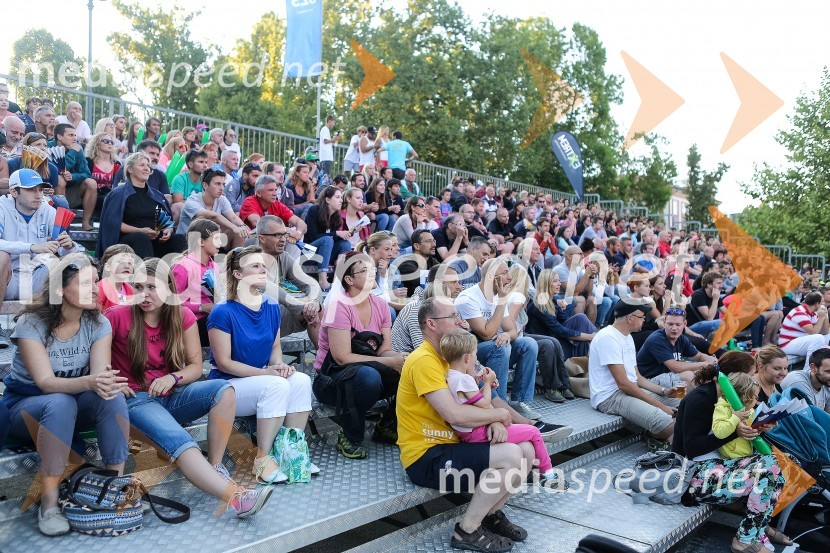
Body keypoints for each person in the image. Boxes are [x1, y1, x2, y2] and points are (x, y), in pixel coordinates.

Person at [107, 258, 273, 518]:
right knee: (182, 442)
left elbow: (195, 367)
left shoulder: (181, 315)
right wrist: (114, 382)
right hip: (137, 400)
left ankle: (215, 466)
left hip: (172, 394)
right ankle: (237, 498)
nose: (144, 294)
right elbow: (97, 363)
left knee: (223, 390)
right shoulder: (117, 315)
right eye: (138, 287)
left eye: (151, 287)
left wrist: (173, 378)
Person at [1, 257, 129, 536]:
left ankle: (114, 489)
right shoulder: (31, 323)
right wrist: (93, 381)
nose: (96, 288)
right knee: (59, 401)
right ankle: (49, 504)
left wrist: (106, 383)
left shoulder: (98, 323)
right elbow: (46, 383)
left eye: (96, 281)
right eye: (85, 283)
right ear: (59, 290)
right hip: (25, 409)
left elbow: (99, 379)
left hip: (73, 404)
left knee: (112, 397)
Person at [397, 296, 532, 553]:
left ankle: (490, 515)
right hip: (426, 457)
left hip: (456, 444)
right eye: (452, 317)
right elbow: (455, 415)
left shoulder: (452, 356)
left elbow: (480, 401)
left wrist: (497, 420)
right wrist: (497, 417)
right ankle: (467, 531)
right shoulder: (424, 360)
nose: (461, 321)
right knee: (511, 454)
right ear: (431, 324)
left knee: (526, 448)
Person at [208, 245, 316, 482]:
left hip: (260, 378)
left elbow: (275, 348)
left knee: (300, 380)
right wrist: (266, 373)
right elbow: (224, 363)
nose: (263, 270)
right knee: (276, 385)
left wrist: (279, 366)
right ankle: (263, 459)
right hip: (227, 386)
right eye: (255, 266)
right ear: (238, 274)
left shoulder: (270, 305)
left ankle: (291, 453)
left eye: (263, 266)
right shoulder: (222, 312)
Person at [673, 359, 790, 553]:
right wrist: (736, 431)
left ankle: (757, 527)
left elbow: (747, 428)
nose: (754, 380)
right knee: (767, 471)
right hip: (692, 476)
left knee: (776, 464)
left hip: (718, 467)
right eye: (751, 375)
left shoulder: (736, 404)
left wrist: (763, 427)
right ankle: (745, 538)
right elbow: (692, 448)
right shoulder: (701, 399)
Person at [313, 252, 406, 459]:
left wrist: (402, 359)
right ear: (349, 279)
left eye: (372, 269)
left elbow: (384, 350)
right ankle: (349, 436)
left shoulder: (381, 305)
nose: (372, 273)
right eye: (365, 270)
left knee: (411, 368)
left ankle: (387, 425)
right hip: (330, 380)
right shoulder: (339, 306)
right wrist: (389, 361)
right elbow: (342, 358)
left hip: (366, 372)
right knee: (368, 376)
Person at [440, 330, 561, 486]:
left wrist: (484, 387)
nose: (476, 358)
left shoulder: (451, 377)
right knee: (534, 432)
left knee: (522, 433)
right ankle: (548, 475)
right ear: (467, 358)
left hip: (469, 432)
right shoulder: (464, 379)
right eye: (476, 354)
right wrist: (488, 383)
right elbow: (484, 403)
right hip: (478, 433)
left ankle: (532, 470)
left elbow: (474, 401)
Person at [455, 258, 541, 421]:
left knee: (528, 344)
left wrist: (507, 334)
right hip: (469, 356)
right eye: (504, 273)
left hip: (489, 349)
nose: (509, 278)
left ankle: (518, 402)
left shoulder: (496, 297)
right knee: (500, 347)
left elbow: (512, 330)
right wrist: (502, 302)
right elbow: (486, 334)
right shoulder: (468, 298)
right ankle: (500, 405)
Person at [589, 302, 679, 449]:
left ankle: (666, 440)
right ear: (630, 318)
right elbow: (623, 383)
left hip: (628, 390)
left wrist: (664, 391)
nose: (645, 319)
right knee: (670, 425)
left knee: (684, 404)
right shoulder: (608, 337)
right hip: (610, 397)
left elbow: (636, 377)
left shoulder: (628, 337)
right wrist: (661, 406)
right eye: (642, 316)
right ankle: (652, 436)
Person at [0, 170, 80, 311]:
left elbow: (60, 248)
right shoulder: (2, 207)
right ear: (14, 192)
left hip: (36, 277)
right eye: (31, 190)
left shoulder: (48, 210)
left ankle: (59, 326)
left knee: (62, 263)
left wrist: (69, 247)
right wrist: (31, 247)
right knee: (2, 256)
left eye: (40, 190)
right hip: (8, 279)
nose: (38, 195)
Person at [96, 152, 187, 259]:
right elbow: (113, 223)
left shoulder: (156, 195)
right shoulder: (118, 194)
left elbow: (164, 221)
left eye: (148, 166)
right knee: (141, 238)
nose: (146, 168)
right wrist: (140, 230)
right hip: (128, 241)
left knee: (179, 239)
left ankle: (182, 273)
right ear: (130, 169)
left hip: (154, 240)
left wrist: (168, 230)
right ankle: (147, 274)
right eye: (141, 165)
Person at [257, 215, 322, 346]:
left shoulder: (283, 257)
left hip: (273, 315)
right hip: (250, 319)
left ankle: (325, 360)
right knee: (306, 308)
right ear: (262, 238)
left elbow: (310, 285)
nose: (283, 240)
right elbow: (264, 285)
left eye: (284, 235)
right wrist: (299, 304)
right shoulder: (249, 256)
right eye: (277, 235)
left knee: (316, 309)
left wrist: (314, 302)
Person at [636, 307, 718, 391]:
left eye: (678, 325)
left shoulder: (681, 339)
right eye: (670, 324)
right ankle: (694, 402)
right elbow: (675, 367)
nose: (674, 328)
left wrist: (711, 360)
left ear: (684, 324)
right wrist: (706, 364)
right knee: (688, 376)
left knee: (704, 374)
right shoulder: (657, 339)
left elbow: (699, 356)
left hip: (666, 377)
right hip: (648, 382)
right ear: (664, 323)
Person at [525, 269, 596, 358]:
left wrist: (560, 308)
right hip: (548, 342)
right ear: (546, 284)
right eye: (555, 281)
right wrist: (589, 336)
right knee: (582, 324)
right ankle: (597, 343)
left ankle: (594, 346)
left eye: (559, 280)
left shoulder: (552, 299)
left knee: (580, 318)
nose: (559, 284)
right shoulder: (540, 303)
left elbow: (564, 320)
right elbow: (559, 329)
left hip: (556, 337)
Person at [173, 219, 220, 347]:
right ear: (201, 241)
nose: (220, 243)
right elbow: (172, 303)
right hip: (192, 323)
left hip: (211, 319)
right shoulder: (183, 266)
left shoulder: (214, 266)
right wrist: (201, 307)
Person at [177, 168, 249, 248]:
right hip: (187, 242)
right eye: (217, 184)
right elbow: (213, 216)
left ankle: (236, 259)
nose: (222, 188)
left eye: (223, 184)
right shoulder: (192, 200)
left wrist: (243, 226)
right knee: (231, 228)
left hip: (208, 240)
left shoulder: (222, 199)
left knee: (239, 233)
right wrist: (235, 227)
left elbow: (233, 217)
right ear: (205, 185)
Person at [304, 186, 354, 290]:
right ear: (327, 199)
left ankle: (337, 280)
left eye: (341, 197)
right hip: (309, 253)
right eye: (337, 197)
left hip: (325, 254)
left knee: (345, 244)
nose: (341, 200)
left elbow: (334, 239)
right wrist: (336, 234)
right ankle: (323, 281)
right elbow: (313, 237)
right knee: (327, 239)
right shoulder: (314, 210)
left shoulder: (336, 217)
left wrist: (346, 234)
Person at [51, 123, 97, 229]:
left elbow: (87, 173)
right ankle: (61, 223)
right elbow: (60, 168)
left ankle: (86, 223)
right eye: (71, 135)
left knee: (91, 182)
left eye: (75, 135)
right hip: (53, 192)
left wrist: (73, 176)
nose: (75, 138)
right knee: (60, 179)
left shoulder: (77, 149)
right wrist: (72, 152)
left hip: (73, 192)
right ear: (59, 137)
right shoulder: (49, 146)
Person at [239, 175, 307, 235]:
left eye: (275, 190)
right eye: (270, 190)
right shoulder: (250, 201)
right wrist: (285, 230)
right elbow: (259, 224)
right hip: (251, 241)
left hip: (271, 240)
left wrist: (298, 233)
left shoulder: (276, 204)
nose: (275, 193)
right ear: (259, 193)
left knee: (295, 231)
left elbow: (300, 222)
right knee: (262, 232)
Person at [778, 291, 830, 370]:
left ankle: (821, 366)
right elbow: (813, 332)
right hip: (787, 344)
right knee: (818, 338)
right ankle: (807, 371)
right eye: (821, 302)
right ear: (817, 304)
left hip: (799, 342)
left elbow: (825, 332)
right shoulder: (799, 312)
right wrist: (821, 318)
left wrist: (824, 316)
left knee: (826, 336)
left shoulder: (812, 312)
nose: (822, 305)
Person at [713, 372, 760, 459]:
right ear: (745, 398)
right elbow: (719, 432)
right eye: (755, 398)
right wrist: (735, 418)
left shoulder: (749, 410)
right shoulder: (722, 408)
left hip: (749, 454)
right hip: (731, 458)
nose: (756, 401)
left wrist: (765, 424)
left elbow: (754, 429)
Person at [781, 347, 830, 412]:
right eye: (828, 371)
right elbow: (808, 418)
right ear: (813, 368)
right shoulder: (798, 382)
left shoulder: (826, 382)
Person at [394, 229, 438, 297]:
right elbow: (423, 286)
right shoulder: (406, 264)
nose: (434, 244)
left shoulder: (432, 261)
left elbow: (446, 273)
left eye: (434, 241)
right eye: (429, 241)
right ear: (417, 246)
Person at [97, 243, 136, 313]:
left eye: (130, 262)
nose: (127, 266)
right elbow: (95, 316)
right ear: (108, 267)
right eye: (120, 262)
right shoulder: (100, 288)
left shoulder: (131, 290)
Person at [85, 132, 122, 205]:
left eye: (111, 142)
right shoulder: (89, 161)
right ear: (97, 143)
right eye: (106, 141)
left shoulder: (116, 164)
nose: (110, 143)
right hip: (91, 195)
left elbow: (117, 184)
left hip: (110, 194)